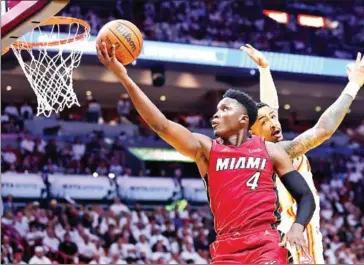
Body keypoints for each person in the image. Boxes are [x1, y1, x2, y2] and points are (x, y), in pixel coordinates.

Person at [97, 42, 316, 264]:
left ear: (244, 120)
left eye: (225, 109)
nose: (216, 116)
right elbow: (162, 125)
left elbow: (305, 195)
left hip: (265, 243)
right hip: (226, 246)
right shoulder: (207, 150)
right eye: (216, 110)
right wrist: (124, 77)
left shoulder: (270, 151)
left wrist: (298, 227)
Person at [242, 45, 364, 264]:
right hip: (291, 241)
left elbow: (270, 108)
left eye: (273, 117)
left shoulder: (267, 144)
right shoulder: (273, 153)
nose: (274, 123)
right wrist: (353, 85)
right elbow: (322, 130)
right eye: (265, 121)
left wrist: (264, 69)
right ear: (252, 132)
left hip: (297, 235)